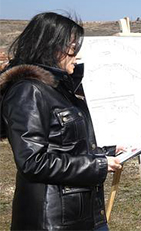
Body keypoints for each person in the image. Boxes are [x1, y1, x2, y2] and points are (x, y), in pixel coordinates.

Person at [0, 12, 123, 230]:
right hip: (54, 220)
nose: (76, 55)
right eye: (73, 47)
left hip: (83, 213)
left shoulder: (59, 88)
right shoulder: (28, 91)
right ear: (51, 47)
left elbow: (68, 142)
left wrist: (109, 150)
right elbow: (32, 162)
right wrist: (98, 164)